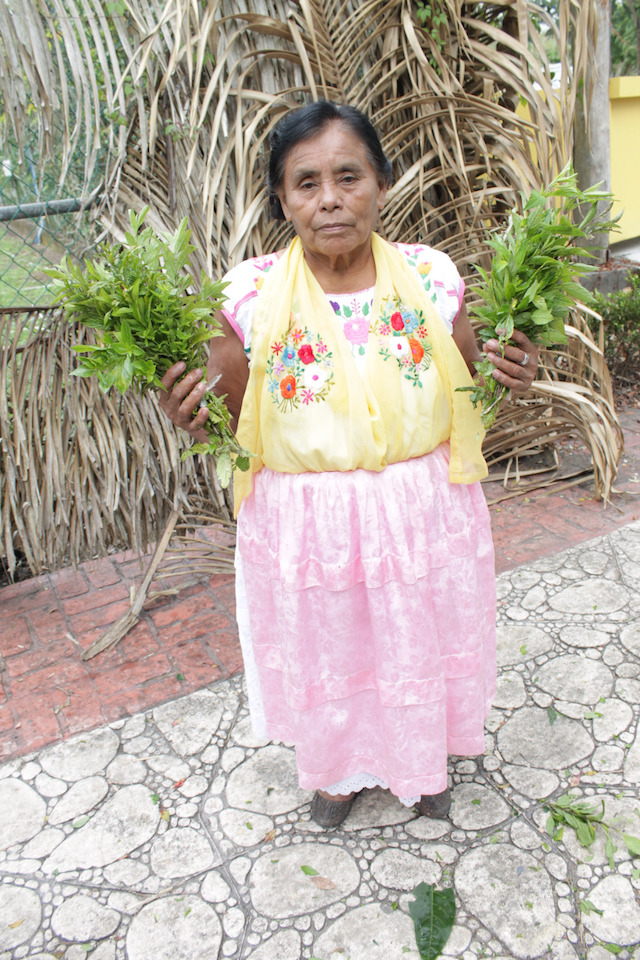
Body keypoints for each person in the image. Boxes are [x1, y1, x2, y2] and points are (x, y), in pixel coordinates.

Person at [159, 101, 538, 828]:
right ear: (282, 199)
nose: (329, 198)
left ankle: (421, 760)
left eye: (348, 176)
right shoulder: (248, 296)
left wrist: (510, 374)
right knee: (328, 643)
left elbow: (471, 391)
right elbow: (234, 418)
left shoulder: (430, 277)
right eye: (306, 182)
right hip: (310, 517)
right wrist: (189, 414)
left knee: (417, 634)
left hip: (419, 507)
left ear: (381, 184)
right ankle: (335, 770)